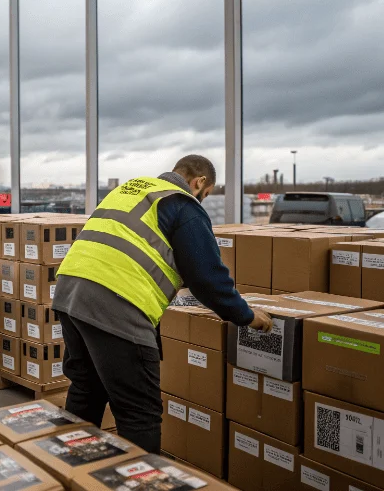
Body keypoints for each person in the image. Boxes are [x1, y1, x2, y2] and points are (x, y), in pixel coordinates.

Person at [53, 154, 273, 453]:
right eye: (206, 194)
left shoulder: (133, 190)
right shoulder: (183, 204)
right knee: (139, 411)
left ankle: (68, 468)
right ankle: (140, 477)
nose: (202, 200)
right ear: (200, 182)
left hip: (70, 293)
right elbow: (207, 277)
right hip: (117, 303)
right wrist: (246, 316)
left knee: (86, 389)